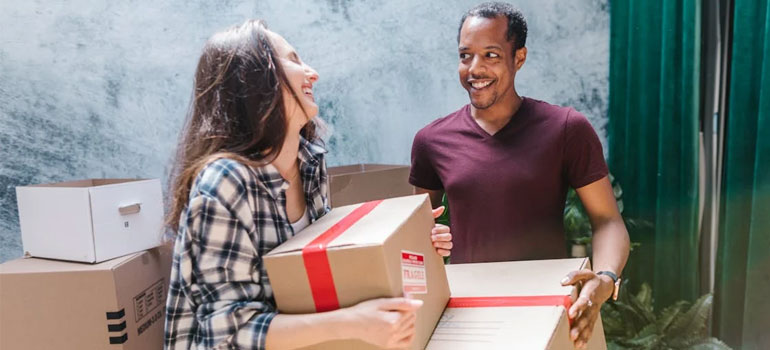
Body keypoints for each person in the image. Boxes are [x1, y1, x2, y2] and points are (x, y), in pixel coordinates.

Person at [163, 19, 453, 350]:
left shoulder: (308, 163)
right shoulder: (226, 184)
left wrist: (412, 245)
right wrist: (353, 322)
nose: (312, 73)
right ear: (256, 78)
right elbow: (228, 335)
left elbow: (325, 265)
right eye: (294, 60)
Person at [409, 2, 630, 348]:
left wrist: (605, 279)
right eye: (465, 55)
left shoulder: (566, 129)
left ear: (519, 58)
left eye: (491, 55)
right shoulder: (431, 141)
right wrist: (428, 239)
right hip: (468, 317)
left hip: (546, 310)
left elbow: (608, 221)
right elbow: (416, 237)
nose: (474, 69)